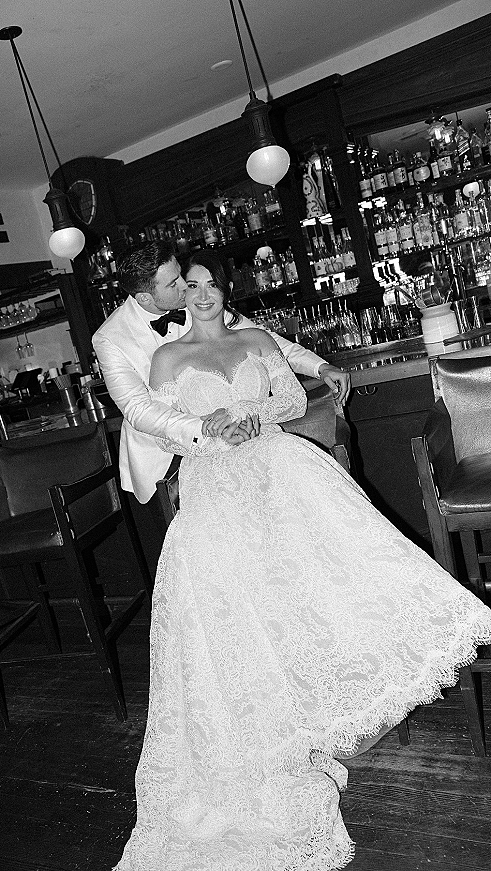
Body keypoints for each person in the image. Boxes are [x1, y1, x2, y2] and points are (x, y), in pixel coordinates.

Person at [112, 251, 491, 871]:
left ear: (226, 289)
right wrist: (203, 427)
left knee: (325, 578)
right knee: (235, 608)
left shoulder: (256, 337)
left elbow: (290, 400)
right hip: (214, 482)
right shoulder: (166, 358)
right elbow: (153, 428)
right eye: (193, 287)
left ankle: (327, 710)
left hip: (274, 466)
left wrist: (256, 414)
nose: (202, 295)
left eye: (212, 284)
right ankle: (269, 736)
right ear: (181, 296)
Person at [92, 240, 350, 509]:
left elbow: (262, 341)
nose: (185, 285)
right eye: (173, 284)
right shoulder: (110, 338)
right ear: (145, 297)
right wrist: (209, 428)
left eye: (181, 274)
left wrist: (320, 367)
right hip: (166, 454)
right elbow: (138, 410)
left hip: (250, 440)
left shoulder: (199, 300)